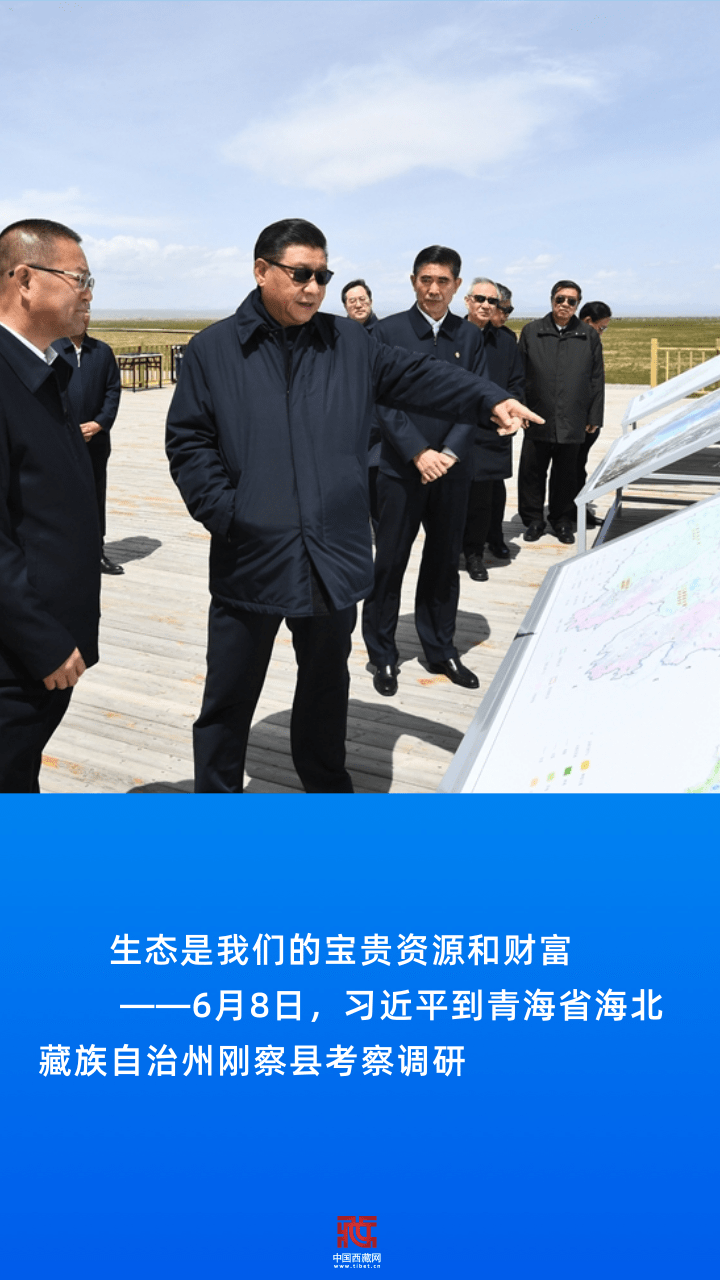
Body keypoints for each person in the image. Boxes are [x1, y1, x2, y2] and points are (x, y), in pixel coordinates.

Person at [166, 219, 540, 792]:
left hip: (331, 555)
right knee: (229, 695)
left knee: (325, 687)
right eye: (301, 274)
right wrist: (229, 513)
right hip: (251, 553)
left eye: (323, 276)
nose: (314, 288)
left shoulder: (350, 342)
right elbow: (189, 441)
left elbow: (421, 375)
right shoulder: (213, 349)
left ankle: (327, 789)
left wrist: (489, 399)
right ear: (262, 271)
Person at [362, 246, 508, 695]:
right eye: (425, 279)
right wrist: (418, 453)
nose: (433, 289)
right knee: (389, 562)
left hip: (453, 469)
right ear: (413, 282)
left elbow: (477, 397)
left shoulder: (470, 337)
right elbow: (381, 398)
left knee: (444, 562)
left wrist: (448, 453)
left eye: (443, 281)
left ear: (457, 286)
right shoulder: (386, 332)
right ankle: (383, 654)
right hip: (400, 468)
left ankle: (441, 648)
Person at [0, 218, 100, 792]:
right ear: (25, 280)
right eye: (78, 278)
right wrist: (42, 639)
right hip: (18, 657)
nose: (88, 293)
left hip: (47, 644)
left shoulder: (41, 368)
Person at [517, 280, 604, 545]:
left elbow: (596, 378)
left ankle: (562, 520)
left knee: (566, 473)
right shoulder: (532, 332)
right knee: (532, 471)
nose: (565, 304)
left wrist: (594, 415)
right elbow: (519, 374)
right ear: (552, 299)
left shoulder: (588, 335)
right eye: (560, 299)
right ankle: (533, 520)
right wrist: (520, 408)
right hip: (537, 414)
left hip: (573, 416)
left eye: (571, 301)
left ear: (577, 305)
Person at [462, 278, 524, 580]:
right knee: (456, 497)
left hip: (492, 430)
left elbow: (516, 383)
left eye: (493, 302)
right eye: (480, 299)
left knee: (487, 496)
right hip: (457, 429)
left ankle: (476, 553)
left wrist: (512, 413)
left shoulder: (506, 342)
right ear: (467, 301)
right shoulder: (450, 335)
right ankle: (457, 547)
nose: (486, 306)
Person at [52, 319, 123, 574]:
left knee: (95, 495)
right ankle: (64, 553)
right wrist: (66, 427)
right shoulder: (51, 350)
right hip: (61, 440)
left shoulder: (102, 352)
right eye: (78, 309)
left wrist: (99, 423)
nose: (83, 316)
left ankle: (96, 552)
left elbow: (113, 391)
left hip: (97, 441)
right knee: (61, 495)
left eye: (87, 310)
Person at [342, 278, 380, 524]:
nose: (358, 304)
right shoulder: (337, 335)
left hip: (379, 429)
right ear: (345, 306)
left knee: (379, 500)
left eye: (362, 299)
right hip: (346, 429)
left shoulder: (385, 333)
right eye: (352, 301)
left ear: (371, 301)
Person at [577, 301, 612, 523]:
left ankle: (578, 508)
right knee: (569, 468)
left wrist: (594, 417)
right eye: (601, 327)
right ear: (588, 321)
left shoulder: (593, 343)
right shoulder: (573, 342)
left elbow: (598, 382)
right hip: (572, 418)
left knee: (578, 466)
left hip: (588, 418)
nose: (602, 333)